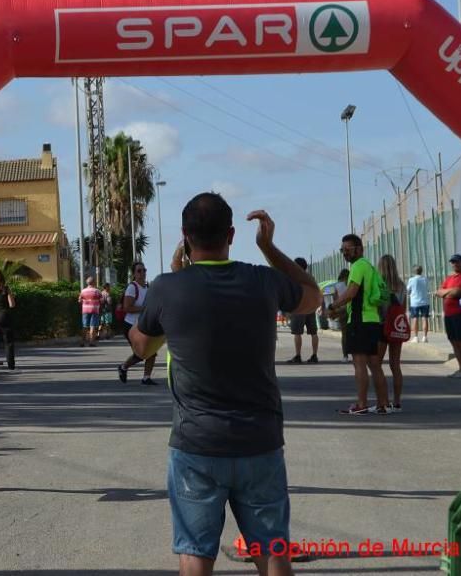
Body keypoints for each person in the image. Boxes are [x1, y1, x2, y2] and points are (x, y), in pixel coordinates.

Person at [128, 193, 319, 576]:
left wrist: (152, 319)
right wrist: (269, 247)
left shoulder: (167, 288)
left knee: (196, 555)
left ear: (185, 236)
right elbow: (312, 297)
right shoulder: (264, 280)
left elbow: (142, 344)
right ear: (232, 234)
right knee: (273, 552)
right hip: (261, 442)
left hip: (196, 447)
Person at [327, 235, 389, 414]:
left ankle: (361, 405)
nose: (345, 253)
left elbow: (351, 293)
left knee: (359, 364)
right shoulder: (369, 266)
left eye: (348, 249)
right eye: (342, 250)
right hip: (372, 320)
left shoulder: (358, 266)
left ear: (359, 249)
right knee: (375, 364)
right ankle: (383, 404)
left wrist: (333, 305)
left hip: (359, 322)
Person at [118, 262, 158, 385]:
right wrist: (145, 308)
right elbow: (127, 307)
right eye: (139, 271)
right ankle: (123, 367)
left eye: (144, 270)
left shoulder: (147, 288)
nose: (142, 273)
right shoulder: (132, 287)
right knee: (142, 353)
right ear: (134, 274)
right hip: (131, 326)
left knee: (152, 351)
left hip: (143, 325)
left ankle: (146, 378)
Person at [377, 254, 406, 412]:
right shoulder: (402, 285)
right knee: (395, 365)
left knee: (377, 364)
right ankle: (397, 402)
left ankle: (384, 401)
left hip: (382, 326)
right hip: (397, 327)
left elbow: (378, 307)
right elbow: (404, 309)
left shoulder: (380, 285)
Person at [438, 254, 461, 379]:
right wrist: (449, 292)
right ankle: (460, 369)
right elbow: (439, 292)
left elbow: (458, 292)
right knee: (453, 341)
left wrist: (446, 292)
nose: (454, 264)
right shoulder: (449, 278)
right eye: (452, 262)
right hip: (449, 314)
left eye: (457, 262)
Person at [286, 257, 320, 364]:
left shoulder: (294, 278)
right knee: (313, 332)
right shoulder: (311, 278)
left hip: (299, 307)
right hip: (310, 307)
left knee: (297, 333)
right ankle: (314, 355)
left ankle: (298, 356)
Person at [406, 265, 430, 343]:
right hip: (425, 301)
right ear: (421, 271)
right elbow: (427, 288)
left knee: (415, 318)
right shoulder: (425, 279)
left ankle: (416, 337)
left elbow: (408, 290)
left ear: (414, 271)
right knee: (424, 318)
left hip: (415, 302)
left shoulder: (411, 280)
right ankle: (425, 337)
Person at [78, 277, 102, 347]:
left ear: (87, 283)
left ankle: (82, 342)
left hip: (85, 310)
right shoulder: (97, 291)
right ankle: (91, 342)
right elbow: (102, 300)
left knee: (85, 326)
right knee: (93, 326)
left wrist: (85, 302)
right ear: (94, 282)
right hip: (94, 310)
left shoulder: (83, 291)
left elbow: (79, 300)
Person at [334, 269, 351, 362]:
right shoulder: (351, 284)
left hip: (342, 311)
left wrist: (335, 310)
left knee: (344, 334)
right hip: (352, 310)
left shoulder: (337, 286)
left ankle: (345, 356)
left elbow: (335, 299)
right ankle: (357, 353)